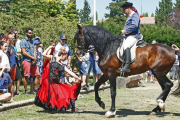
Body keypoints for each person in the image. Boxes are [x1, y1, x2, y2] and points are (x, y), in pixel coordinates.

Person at [34, 46, 83, 113]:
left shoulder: (63, 65)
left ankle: (71, 107)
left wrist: (78, 78)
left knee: (68, 90)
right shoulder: (52, 58)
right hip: (50, 82)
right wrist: (50, 47)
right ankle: (51, 108)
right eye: (65, 57)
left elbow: (70, 72)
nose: (65, 59)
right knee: (53, 95)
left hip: (56, 83)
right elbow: (43, 54)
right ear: (62, 55)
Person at [119, 2, 142, 72]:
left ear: (128, 9)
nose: (123, 12)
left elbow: (134, 26)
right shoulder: (129, 17)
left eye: (124, 10)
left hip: (134, 36)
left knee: (126, 45)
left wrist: (125, 30)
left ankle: (127, 66)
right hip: (129, 36)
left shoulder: (135, 15)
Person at [20, 27, 40, 94]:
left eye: (31, 33)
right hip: (26, 60)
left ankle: (35, 89)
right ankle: (26, 90)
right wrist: (32, 58)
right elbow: (24, 52)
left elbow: (34, 50)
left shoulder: (32, 41)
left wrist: (34, 58)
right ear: (26, 33)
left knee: (37, 74)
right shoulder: (23, 41)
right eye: (29, 33)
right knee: (26, 76)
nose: (31, 34)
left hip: (32, 60)